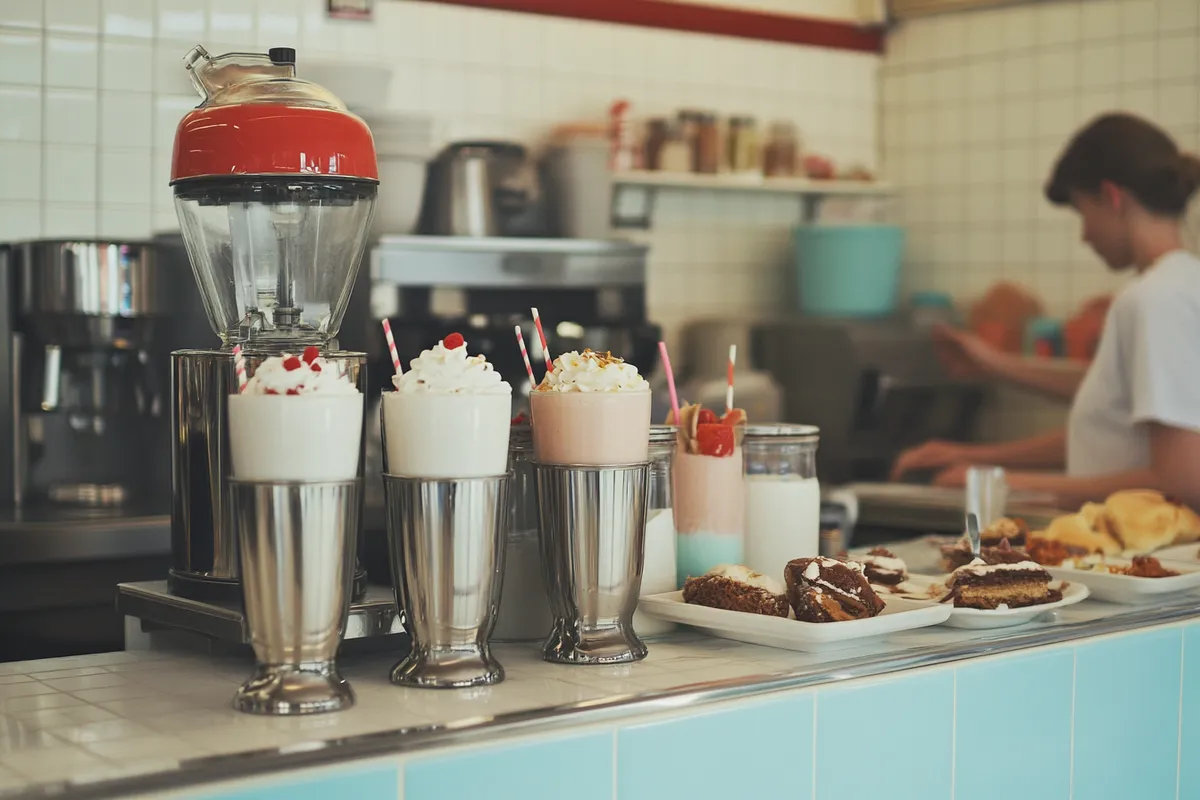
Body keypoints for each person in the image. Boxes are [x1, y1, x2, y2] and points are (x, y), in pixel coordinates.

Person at [891, 113, 1200, 510]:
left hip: (1155, 558)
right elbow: (1110, 424)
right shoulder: (1184, 283)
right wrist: (979, 451)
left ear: (1112, 197)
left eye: (1082, 211)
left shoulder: (1154, 299)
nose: (1085, 235)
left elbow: (1182, 479)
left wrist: (994, 480)